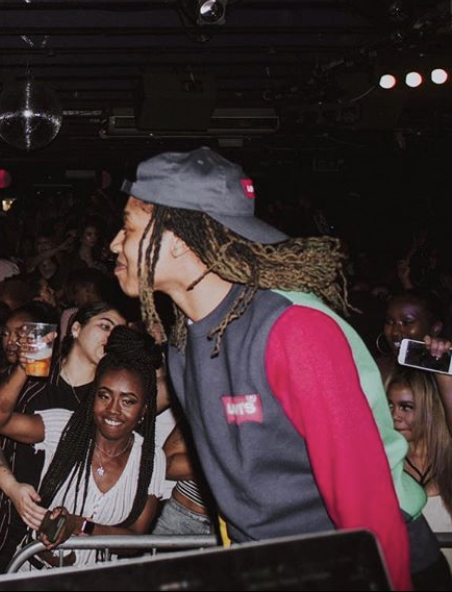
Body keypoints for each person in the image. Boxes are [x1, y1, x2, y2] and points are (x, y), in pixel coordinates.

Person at [110, 146, 446, 590]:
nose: (115, 243)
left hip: (368, 565)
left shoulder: (293, 330)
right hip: (278, 566)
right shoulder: (182, 344)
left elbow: (365, 503)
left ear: (177, 240)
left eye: (129, 228)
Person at [0, 303, 126, 573]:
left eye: (118, 334)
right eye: (104, 326)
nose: (110, 338)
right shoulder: (33, 378)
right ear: (76, 329)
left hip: (47, 540)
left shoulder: (104, 402)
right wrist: (13, 489)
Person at [30, 328, 165, 568]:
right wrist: (25, 364)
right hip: (33, 575)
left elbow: (136, 540)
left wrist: (80, 525)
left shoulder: (150, 459)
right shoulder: (69, 431)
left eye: (128, 401)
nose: (113, 409)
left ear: (144, 409)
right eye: (104, 396)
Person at [387, 369, 452, 569]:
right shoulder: (386, 462)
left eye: (406, 407)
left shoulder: (447, 457)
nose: (394, 415)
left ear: (429, 411)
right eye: (390, 405)